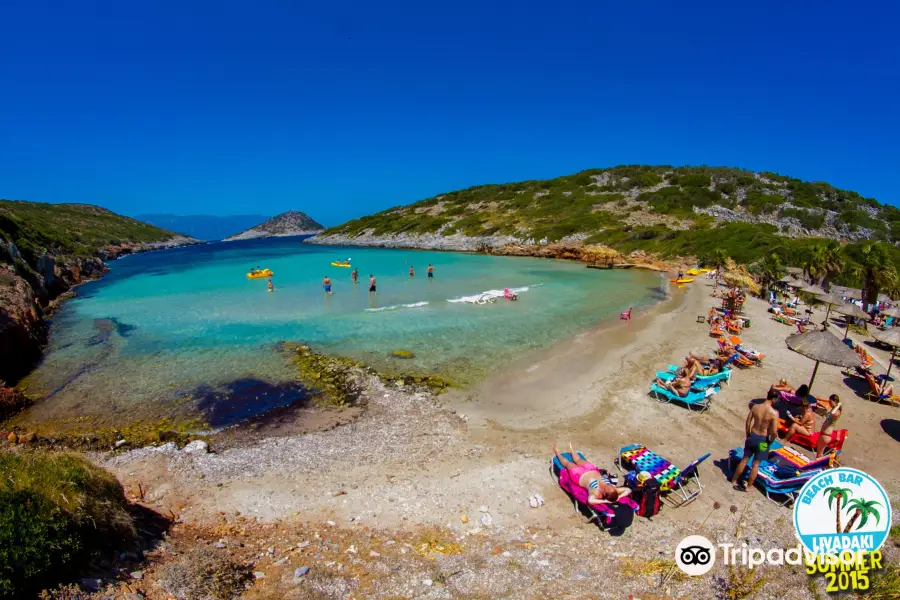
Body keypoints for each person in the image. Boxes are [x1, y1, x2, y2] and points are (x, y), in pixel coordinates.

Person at [731, 389, 779, 492]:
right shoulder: (774, 413)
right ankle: (749, 486)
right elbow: (774, 432)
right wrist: (770, 442)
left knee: (744, 460)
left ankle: (734, 480)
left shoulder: (755, 407)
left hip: (752, 435)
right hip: (763, 440)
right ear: (774, 399)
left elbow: (748, 422)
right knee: (756, 464)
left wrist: (748, 434)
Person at [552, 443, 631, 505]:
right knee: (579, 459)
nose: (611, 486)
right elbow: (628, 490)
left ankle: (557, 453)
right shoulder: (613, 491)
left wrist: (606, 501)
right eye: (613, 488)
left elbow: (591, 501)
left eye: (609, 488)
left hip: (579, 475)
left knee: (568, 464)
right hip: (591, 469)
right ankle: (571, 450)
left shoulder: (596, 492)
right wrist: (619, 497)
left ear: (604, 493)